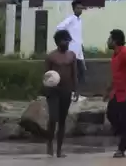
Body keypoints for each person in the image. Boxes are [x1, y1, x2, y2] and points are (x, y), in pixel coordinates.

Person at [44, 28, 79, 157]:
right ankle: (49, 143)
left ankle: (59, 150)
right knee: (53, 118)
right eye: (65, 41)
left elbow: (74, 73)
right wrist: (46, 90)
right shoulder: (51, 56)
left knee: (62, 120)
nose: (67, 43)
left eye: (68, 41)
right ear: (58, 42)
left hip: (67, 90)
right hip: (53, 91)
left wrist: (76, 90)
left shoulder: (71, 55)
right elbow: (46, 75)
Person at [105, 28, 126, 157]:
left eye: (109, 39)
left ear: (115, 41)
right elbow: (116, 75)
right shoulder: (115, 55)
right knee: (111, 114)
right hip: (118, 92)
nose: (107, 41)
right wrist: (108, 89)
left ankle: (121, 148)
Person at [55, 0, 86, 101]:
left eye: (81, 8)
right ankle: (72, 93)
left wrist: (81, 45)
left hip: (79, 50)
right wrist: (68, 39)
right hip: (72, 50)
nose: (80, 10)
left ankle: (76, 93)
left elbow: (78, 35)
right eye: (78, 8)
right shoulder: (71, 19)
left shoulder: (79, 20)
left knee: (82, 71)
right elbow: (59, 27)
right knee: (74, 72)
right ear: (74, 9)